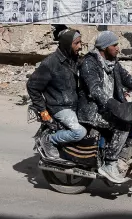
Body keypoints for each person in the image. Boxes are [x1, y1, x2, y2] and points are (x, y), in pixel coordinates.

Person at [77, 31, 132, 184]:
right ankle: (110, 163)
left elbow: (128, 79)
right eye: (114, 45)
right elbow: (95, 89)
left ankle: (127, 156)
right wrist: (112, 104)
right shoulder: (89, 63)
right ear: (104, 47)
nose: (118, 48)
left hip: (108, 107)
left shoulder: (112, 62)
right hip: (92, 110)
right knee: (123, 123)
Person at [26, 29, 87, 160]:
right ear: (67, 44)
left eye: (80, 42)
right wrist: (42, 110)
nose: (80, 46)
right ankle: (49, 140)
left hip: (74, 104)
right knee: (79, 132)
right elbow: (32, 86)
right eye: (76, 43)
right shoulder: (50, 64)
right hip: (59, 107)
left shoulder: (73, 59)